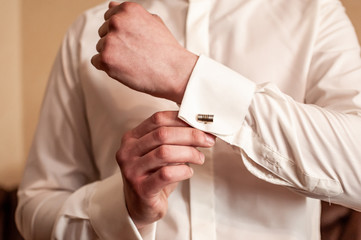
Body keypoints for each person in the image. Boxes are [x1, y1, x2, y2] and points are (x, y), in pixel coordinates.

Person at [16, 0, 361, 239]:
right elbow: (34, 209)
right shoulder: (89, 33)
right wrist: (122, 210)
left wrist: (184, 74)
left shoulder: (315, 13)